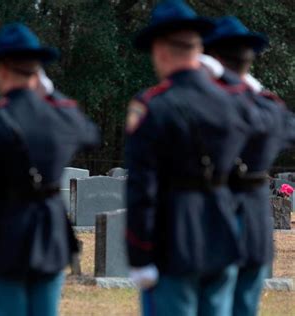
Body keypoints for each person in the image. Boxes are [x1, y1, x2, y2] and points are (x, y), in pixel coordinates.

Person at [125, 1, 257, 315]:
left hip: (174, 239)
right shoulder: (235, 100)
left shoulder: (153, 106)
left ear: (160, 49)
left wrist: (139, 254)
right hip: (224, 234)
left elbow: (142, 188)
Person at [0, 23, 100, 316]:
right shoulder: (60, 114)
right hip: (50, 234)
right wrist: (53, 95)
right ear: (38, 72)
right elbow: (91, 135)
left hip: (5, 234)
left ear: (1, 70)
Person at [204, 16, 295, 316]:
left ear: (213, 58)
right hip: (255, 222)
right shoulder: (270, 107)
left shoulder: (204, 103)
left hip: (213, 215)